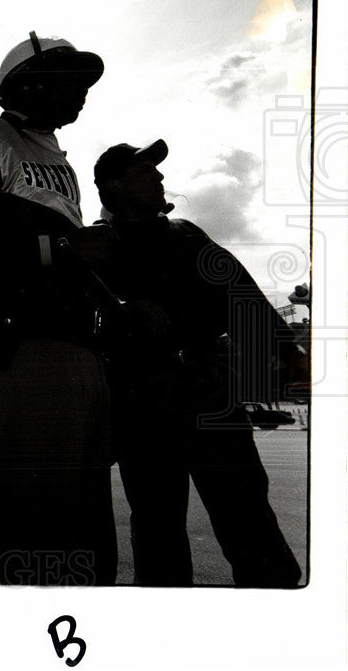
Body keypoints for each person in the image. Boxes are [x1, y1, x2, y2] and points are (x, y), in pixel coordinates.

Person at [0, 32, 118, 585]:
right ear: (28, 83)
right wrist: (58, 248)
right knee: (36, 508)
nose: (83, 94)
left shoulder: (63, 163)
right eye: (71, 81)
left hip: (81, 349)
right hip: (28, 347)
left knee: (84, 513)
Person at [91, 140, 303, 587]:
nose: (159, 177)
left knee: (250, 524)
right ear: (114, 186)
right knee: (158, 534)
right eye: (145, 170)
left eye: (157, 170)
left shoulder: (186, 233)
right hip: (144, 412)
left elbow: (242, 297)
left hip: (210, 402)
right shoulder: (95, 249)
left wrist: (288, 353)